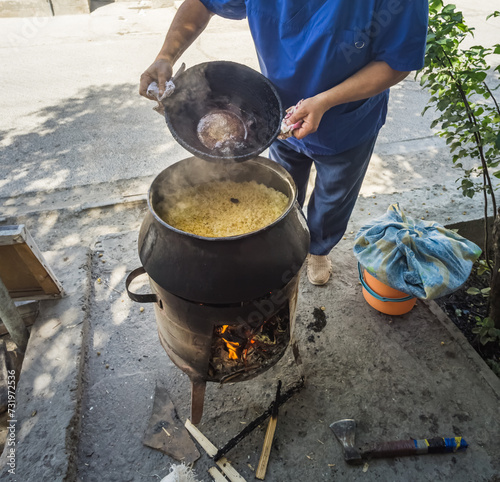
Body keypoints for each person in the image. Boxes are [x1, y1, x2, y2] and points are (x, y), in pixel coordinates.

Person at [139, 0, 429, 286]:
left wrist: (325, 101)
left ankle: (318, 249)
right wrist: (166, 55)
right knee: (286, 183)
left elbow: (396, 62)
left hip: (346, 121)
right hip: (276, 113)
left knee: (334, 197)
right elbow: (202, 3)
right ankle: (289, 234)